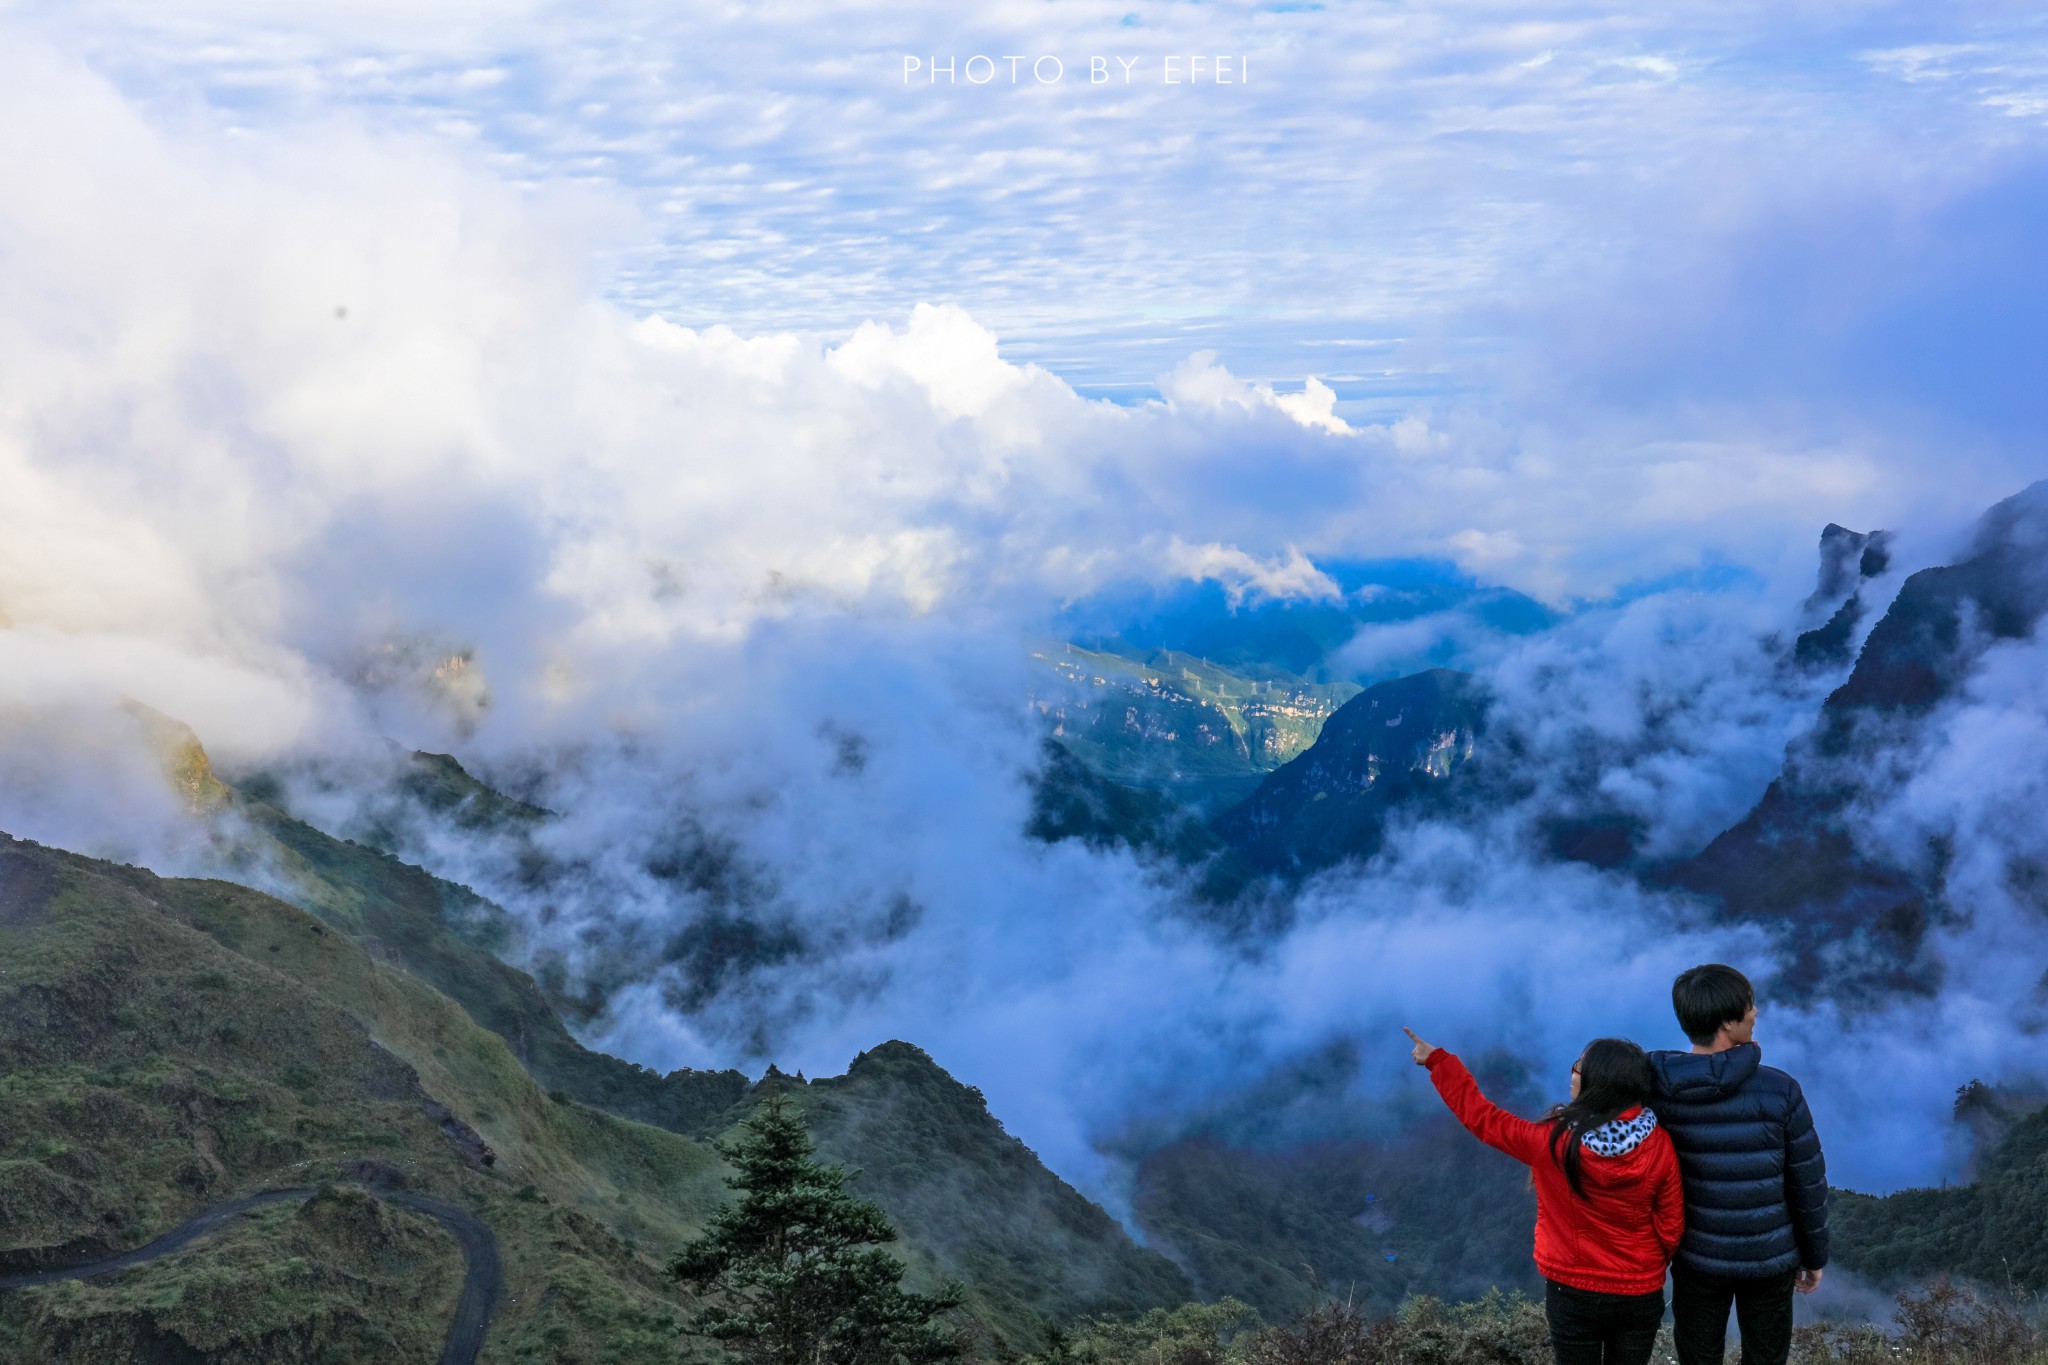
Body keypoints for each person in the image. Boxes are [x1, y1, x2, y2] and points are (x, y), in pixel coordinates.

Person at [1405, 1026, 1683, 1365]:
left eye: (1579, 1067)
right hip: (1639, 1290)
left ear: (1597, 1083)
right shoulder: (1660, 1145)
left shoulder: (1552, 1142)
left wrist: (1437, 1061)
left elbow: (1482, 1117)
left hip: (1572, 1290)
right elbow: (1671, 1227)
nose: (1573, 1072)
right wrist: (1647, 1266)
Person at [1649, 964, 1828, 1365]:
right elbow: (1807, 1185)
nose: (1756, 1013)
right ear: (1728, 1021)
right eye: (1750, 1006)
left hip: (1696, 1256)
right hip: (1769, 1258)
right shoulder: (1781, 1090)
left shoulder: (1659, 1089)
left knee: (1698, 1357)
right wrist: (1814, 1255)